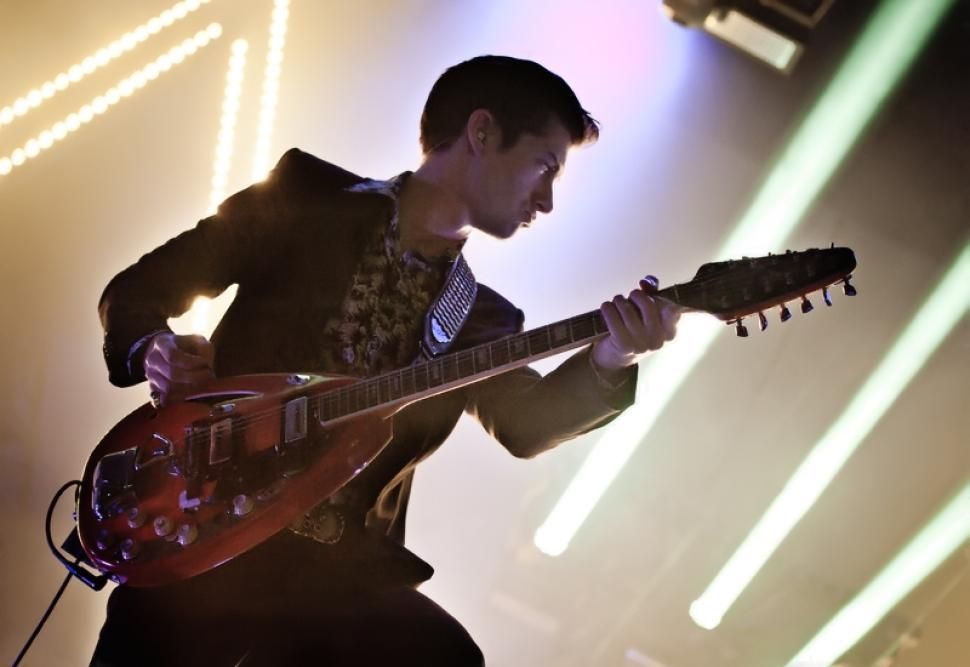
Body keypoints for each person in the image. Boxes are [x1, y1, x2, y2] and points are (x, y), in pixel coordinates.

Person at [90, 55, 680, 666]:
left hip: (328, 576)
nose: (548, 201)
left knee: (442, 658)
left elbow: (526, 425)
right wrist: (154, 347)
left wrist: (614, 353)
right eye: (545, 166)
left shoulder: (481, 317)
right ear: (482, 132)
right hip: (203, 525)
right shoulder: (306, 197)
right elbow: (136, 292)